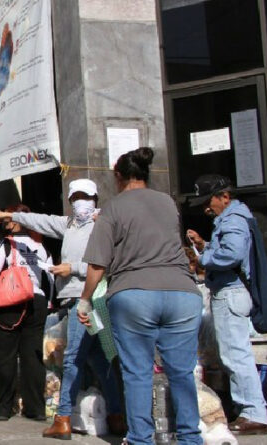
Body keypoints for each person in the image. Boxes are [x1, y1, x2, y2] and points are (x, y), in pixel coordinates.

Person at [76, 147, 203, 445]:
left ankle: (140, 440)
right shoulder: (169, 203)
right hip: (183, 293)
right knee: (182, 373)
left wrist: (85, 300)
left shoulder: (113, 208)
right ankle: (190, 438)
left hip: (134, 294)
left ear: (118, 177)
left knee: (137, 374)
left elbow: (97, 263)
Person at [0, 179, 125, 438]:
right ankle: (116, 415)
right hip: (77, 299)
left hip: (89, 299)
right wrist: (12, 214)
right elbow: (42, 220)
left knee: (74, 358)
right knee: (98, 358)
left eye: (85, 196)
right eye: (75, 197)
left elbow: (107, 263)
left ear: (96, 198)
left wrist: (71, 268)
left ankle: (63, 418)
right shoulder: (70, 224)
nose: (80, 202)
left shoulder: (104, 224)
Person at [187, 174, 267, 435]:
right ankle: (249, 409)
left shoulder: (233, 219)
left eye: (208, 201)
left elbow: (232, 254)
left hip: (231, 293)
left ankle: (253, 413)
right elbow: (232, 249)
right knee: (235, 353)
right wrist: (205, 245)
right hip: (232, 292)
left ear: (224, 196)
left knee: (235, 355)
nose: (206, 208)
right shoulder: (235, 218)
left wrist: (204, 257)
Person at [0, 204, 52, 422]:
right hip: (37, 301)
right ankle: (35, 408)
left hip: (9, 304)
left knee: (5, 357)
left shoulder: (6, 244)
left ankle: (4, 408)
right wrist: (48, 303)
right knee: (33, 357)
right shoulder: (42, 247)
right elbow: (49, 279)